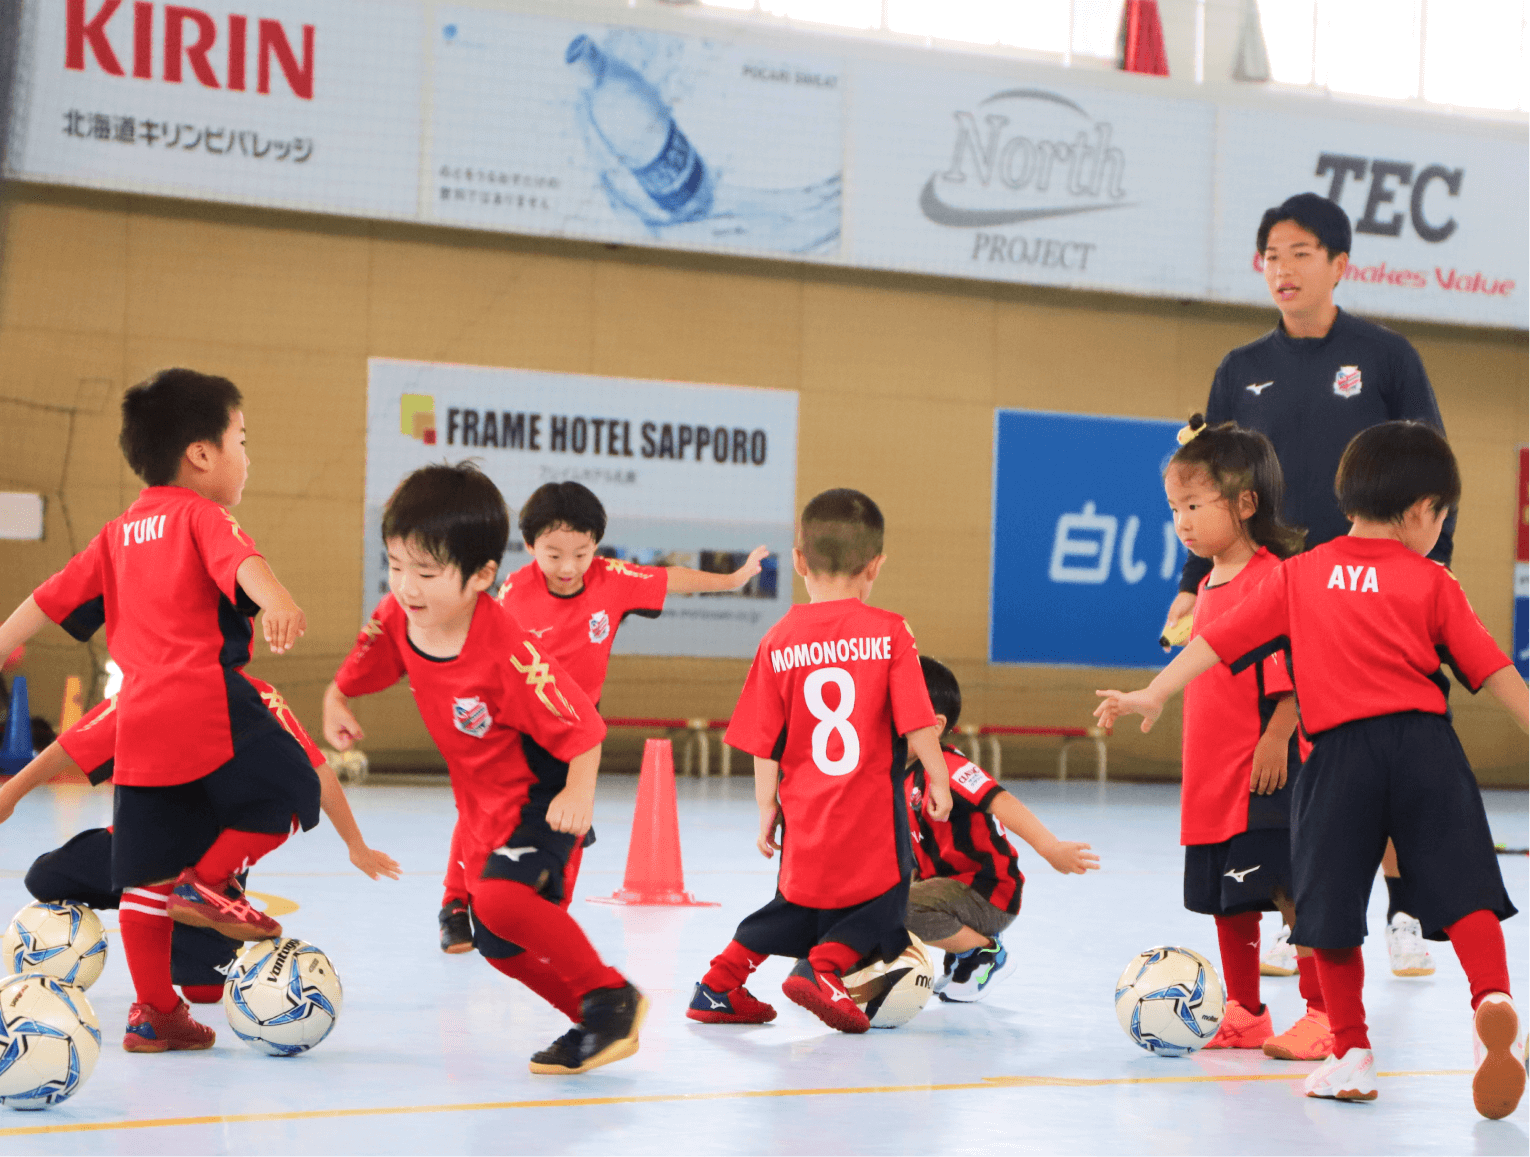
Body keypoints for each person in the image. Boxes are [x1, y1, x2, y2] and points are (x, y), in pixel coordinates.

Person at [1098, 421, 1526, 1118]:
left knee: (1326, 907)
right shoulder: (1432, 580)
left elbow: (1219, 638)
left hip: (1338, 755)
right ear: (1422, 510)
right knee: (1467, 885)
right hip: (1426, 747)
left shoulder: (1303, 573)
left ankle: (1350, 1053)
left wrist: (1155, 690)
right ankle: (1493, 1002)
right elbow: (1497, 673)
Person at [1164, 192, 1454, 978]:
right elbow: (1209, 484)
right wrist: (1194, 580)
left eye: (1299, 254)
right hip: (1274, 587)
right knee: (1289, 756)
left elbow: (1430, 473)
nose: (1282, 270)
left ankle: (1404, 909)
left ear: (1339, 265)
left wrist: (1432, 583)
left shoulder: (1387, 358)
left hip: (1373, 588)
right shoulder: (1241, 369)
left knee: (1376, 742)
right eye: (1270, 256)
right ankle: (1299, 910)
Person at [0, 368, 323, 1053]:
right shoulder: (201, 514)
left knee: (145, 869)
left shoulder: (117, 533)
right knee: (291, 789)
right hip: (207, 695)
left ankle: (154, 1013)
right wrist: (279, 600)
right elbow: (243, 562)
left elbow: (47, 599)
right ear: (201, 453)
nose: (246, 455)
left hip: (139, 711)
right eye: (242, 438)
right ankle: (207, 882)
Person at [323, 463, 645, 1076]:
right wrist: (338, 698)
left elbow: (584, 726)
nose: (406, 587)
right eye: (394, 565)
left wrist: (578, 793)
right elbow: (372, 653)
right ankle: (596, 1019)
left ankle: (612, 998)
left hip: (540, 791)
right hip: (484, 806)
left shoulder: (510, 653)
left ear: (482, 576)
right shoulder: (399, 615)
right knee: (499, 946)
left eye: (425, 572)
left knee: (497, 902)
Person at [431, 479, 768, 953]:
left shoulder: (612, 580)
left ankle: (549, 916)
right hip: (517, 726)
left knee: (572, 822)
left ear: (596, 547)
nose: (568, 567)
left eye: (581, 553)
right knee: (481, 811)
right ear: (530, 547)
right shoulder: (513, 596)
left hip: (578, 733)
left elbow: (672, 579)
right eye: (553, 554)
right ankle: (455, 905)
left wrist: (733, 580)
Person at [685, 488, 951, 1034]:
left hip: (804, 812)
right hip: (870, 815)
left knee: (796, 904)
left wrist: (767, 807)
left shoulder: (776, 641)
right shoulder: (890, 632)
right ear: (875, 566)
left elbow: (765, 740)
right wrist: (939, 779)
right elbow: (918, 719)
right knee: (883, 905)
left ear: (800, 561)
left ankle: (717, 985)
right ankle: (823, 968)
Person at [0, 677, 398, 1004]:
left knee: (204, 989)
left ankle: (201, 893)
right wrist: (11, 793)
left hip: (201, 857)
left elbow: (315, 770)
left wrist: (355, 844)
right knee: (44, 878)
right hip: (144, 846)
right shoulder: (148, 688)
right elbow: (71, 743)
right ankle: (160, 903)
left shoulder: (257, 695)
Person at [1161, 416, 1333, 1060]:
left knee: (1290, 890)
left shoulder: (1270, 578)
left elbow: (1294, 668)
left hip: (1264, 766)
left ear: (1245, 504)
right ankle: (1246, 1012)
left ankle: (1323, 1011)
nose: (1182, 520)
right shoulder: (1206, 584)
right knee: (1228, 901)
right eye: (1175, 507)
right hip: (1211, 775)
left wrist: (1277, 735)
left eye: (1195, 506)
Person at [905, 656, 1097, 1004]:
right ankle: (965, 958)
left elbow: (1001, 801)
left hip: (987, 893)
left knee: (894, 907)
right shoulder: (902, 773)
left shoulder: (948, 766)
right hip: (948, 888)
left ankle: (985, 953)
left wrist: (1049, 847)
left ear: (933, 726)